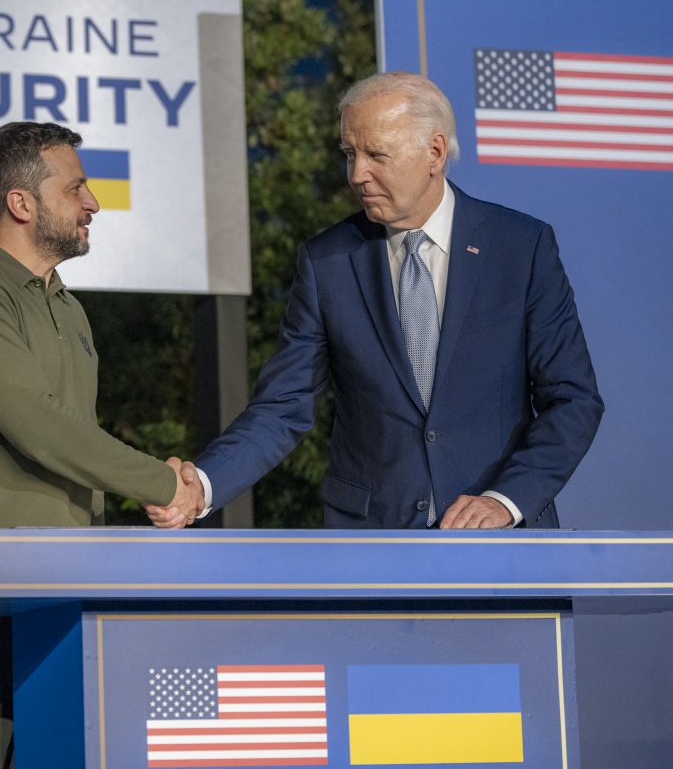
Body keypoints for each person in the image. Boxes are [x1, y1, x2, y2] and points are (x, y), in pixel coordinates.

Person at [153, 72, 602, 531]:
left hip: (503, 546)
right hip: (373, 545)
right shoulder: (327, 261)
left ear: (435, 152)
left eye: (375, 154)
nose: (356, 174)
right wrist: (201, 486)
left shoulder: (520, 248)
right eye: (350, 154)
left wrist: (506, 500)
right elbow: (282, 406)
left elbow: (573, 400)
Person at [0, 121, 203, 769]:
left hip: (64, 597)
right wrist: (163, 483)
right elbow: (39, 426)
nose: (93, 202)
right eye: (76, 188)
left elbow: (72, 441)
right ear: (21, 203)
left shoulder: (66, 307)